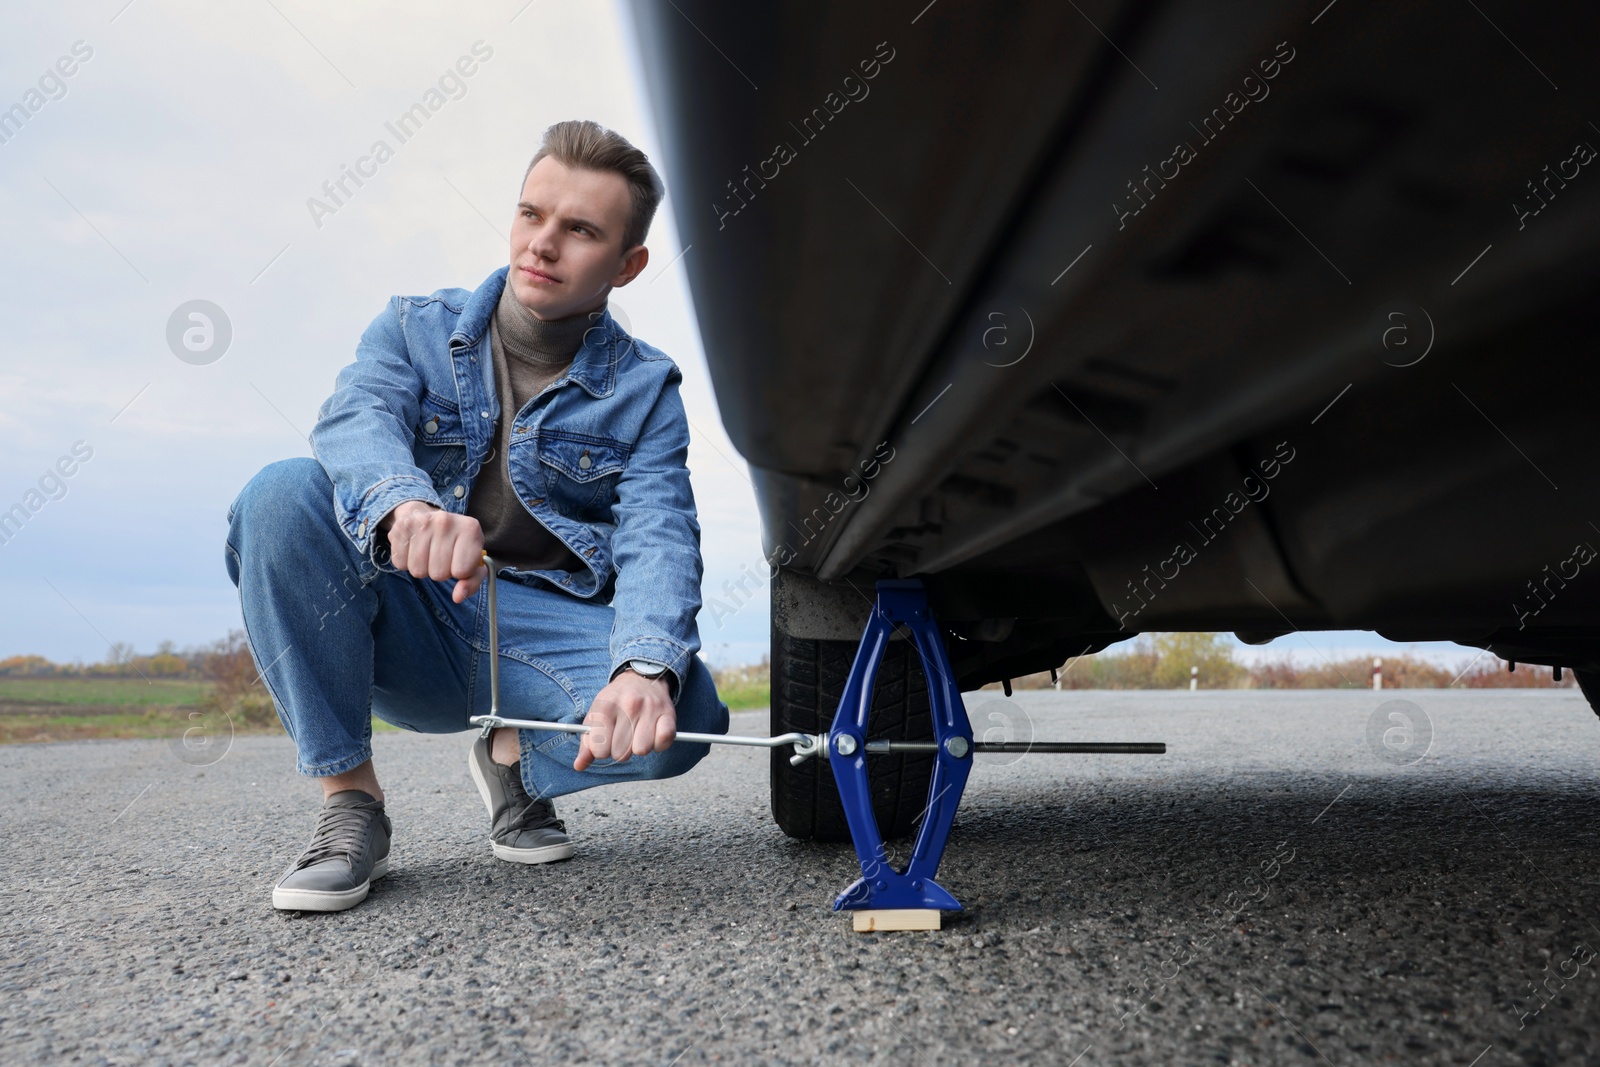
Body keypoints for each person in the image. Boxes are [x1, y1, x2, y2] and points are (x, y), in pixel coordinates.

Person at [224, 119, 728, 912]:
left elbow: (660, 533)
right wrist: (406, 506)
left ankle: (513, 758)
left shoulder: (647, 391)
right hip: (412, 617)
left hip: (539, 637)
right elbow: (355, 421)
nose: (543, 244)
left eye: (580, 230)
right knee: (279, 495)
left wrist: (643, 668)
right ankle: (350, 803)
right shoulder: (412, 326)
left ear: (627, 265)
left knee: (685, 710)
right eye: (532, 214)